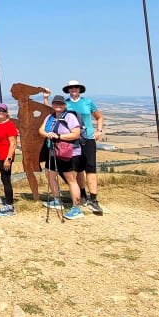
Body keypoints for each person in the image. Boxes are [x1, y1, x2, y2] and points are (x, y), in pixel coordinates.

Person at [44, 80, 105, 216]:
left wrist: (99, 130)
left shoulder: (87, 102)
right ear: (68, 90)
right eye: (71, 88)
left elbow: (99, 117)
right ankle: (82, 195)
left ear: (80, 89)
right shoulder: (65, 103)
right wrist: (46, 98)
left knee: (90, 168)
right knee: (76, 170)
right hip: (72, 142)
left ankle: (93, 199)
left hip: (88, 138)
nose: (74, 89)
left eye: (76, 87)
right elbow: (52, 112)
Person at [39, 94, 84, 220]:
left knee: (71, 179)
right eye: (55, 104)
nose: (58, 106)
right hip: (54, 152)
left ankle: (77, 208)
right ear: (53, 105)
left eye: (60, 104)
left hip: (69, 153)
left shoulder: (70, 117)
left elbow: (76, 134)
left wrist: (58, 137)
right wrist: (48, 134)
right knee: (49, 173)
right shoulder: (50, 117)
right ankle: (56, 200)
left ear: (64, 105)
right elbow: (41, 130)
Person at [0, 103, 20, 216]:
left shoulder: (10, 125)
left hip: (5, 156)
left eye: (3, 110)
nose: (0, 112)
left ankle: (10, 206)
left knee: (5, 179)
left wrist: (9, 158)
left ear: (6, 112)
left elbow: (13, 143)